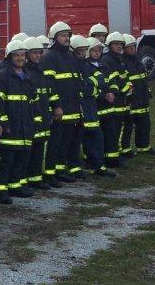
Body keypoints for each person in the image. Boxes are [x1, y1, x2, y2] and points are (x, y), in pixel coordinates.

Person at [0, 39, 36, 203]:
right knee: (6, 160)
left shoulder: (28, 76)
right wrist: (4, 123)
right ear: (9, 57)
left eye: (23, 55)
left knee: (21, 157)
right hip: (10, 126)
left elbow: (33, 101)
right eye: (17, 55)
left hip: (25, 125)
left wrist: (34, 121)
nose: (20, 58)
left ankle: (15, 186)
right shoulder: (2, 77)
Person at [40, 22, 83, 184]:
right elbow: (48, 84)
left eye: (68, 35)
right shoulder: (49, 57)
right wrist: (56, 106)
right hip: (59, 110)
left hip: (71, 108)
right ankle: (49, 174)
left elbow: (75, 83)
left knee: (65, 142)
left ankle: (59, 170)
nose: (66, 38)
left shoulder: (70, 56)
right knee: (54, 143)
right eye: (63, 36)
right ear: (54, 38)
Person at [78, 36, 117, 177]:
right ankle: (95, 165)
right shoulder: (84, 66)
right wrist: (101, 91)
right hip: (87, 106)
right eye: (93, 50)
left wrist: (107, 92)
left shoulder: (100, 65)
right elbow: (93, 84)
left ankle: (97, 165)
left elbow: (103, 82)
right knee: (92, 136)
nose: (97, 52)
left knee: (96, 136)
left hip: (92, 106)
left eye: (99, 50)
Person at [22, 36, 54, 189]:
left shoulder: (40, 71)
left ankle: (36, 178)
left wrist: (49, 112)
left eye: (39, 53)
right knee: (29, 150)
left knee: (40, 147)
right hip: (32, 116)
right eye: (34, 53)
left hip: (43, 114)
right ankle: (26, 178)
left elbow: (46, 94)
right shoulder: (25, 72)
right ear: (27, 54)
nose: (37, 56)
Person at [99, 32, 131, 169]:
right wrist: (122, 90)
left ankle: (114, 156)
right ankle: (111, 159)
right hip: (114, 102)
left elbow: (123, 77)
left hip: (120, 100)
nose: (119, 47)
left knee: (116, 131)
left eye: (121, 44)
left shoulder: (118, 59)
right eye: (116, 44)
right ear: (110, 45)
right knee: (112, 132)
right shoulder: (107, 60)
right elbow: (111, 81)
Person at [123, 34, 155, 156]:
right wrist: (129, 95)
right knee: (127, 126)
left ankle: (144, 146)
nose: (132, 49)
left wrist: (147, 91)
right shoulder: (122, 61)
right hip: (132, 98)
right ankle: (125, 149)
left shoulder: (137, 59)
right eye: (129, 47)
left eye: (133, 46)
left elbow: (143, 78)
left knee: (145, 123)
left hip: (142, 96)